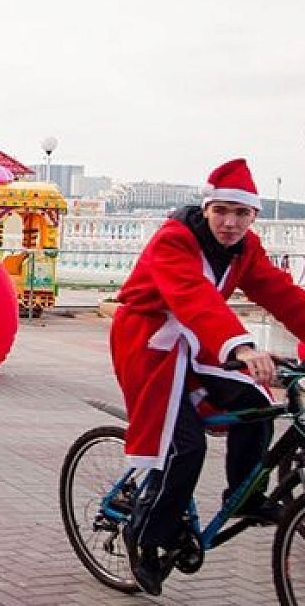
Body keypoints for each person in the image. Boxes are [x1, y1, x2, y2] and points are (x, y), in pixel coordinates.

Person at [113, 159, 305, 596]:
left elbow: (282, 293)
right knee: (183, 445)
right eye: (222, 211)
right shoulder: (174, 239)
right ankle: (145, 539)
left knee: (257, 405)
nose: (231, 223)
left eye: (241, 214)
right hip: (149, 341)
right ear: (206, 209)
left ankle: (246, 496)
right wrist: (240, 346)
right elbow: (192, 295)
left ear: (253, 216)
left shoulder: (245, 248)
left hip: (202, 342)